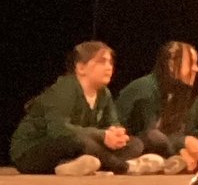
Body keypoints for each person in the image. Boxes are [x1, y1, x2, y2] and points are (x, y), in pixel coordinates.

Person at [9, 42, 135, 177]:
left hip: (77, 147)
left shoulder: (104, 93)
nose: (109, 67)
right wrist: (103, 135)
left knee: (135, 144)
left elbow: (112, 123)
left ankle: (71, 166)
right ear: (81, 68)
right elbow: (59, 130)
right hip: (32, 152)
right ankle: (124, 167)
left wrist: (117, 134)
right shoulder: (64, 89)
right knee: (81, 141)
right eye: (101, 62)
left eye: (110, 62)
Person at [117, 41, 198, 175]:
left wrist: (185, 145)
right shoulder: (146, 89)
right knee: (156, 138)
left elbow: (176, 130)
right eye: (191, 63)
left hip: (162, 144)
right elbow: (148, 132)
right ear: (171, 64)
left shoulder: (179, 91)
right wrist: (181, 147)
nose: (196, 69)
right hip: (131, 142)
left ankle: (170, 162)